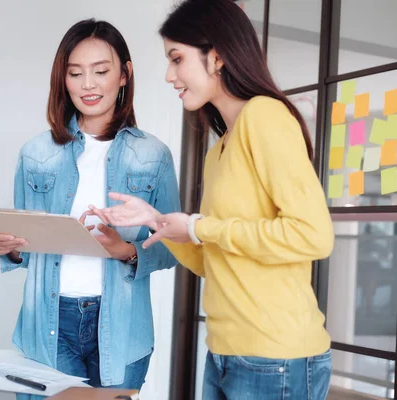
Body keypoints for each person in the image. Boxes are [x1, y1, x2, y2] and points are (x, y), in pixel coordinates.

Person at [87, 1, 335, 398]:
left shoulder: (265, 117)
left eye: (177, 58)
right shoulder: (220, 149)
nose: (170, 75)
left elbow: (313, 236)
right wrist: (159, 222)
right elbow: (214, 257)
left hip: (276, 357)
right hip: (225, 353)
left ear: (216, 56)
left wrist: (198, 226)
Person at [0, 19, 180, 390]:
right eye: (76, 73)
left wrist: (125, 250)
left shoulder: (153, 155)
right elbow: (24, 245)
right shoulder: (36, 153)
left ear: (124, 75)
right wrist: (5, 247)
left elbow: (173, 245)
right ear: (64, 79)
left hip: (123, 329)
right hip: (49, 323)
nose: (88, 84)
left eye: (101, 71)